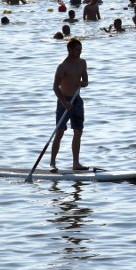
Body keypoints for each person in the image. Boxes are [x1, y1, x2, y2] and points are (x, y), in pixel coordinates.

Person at [50, 38, 89, 172]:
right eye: (77, 49)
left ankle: (76, 163)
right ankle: (52, 163)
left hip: (77, 100)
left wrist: (83, 83)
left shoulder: (82, 63)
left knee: (78, 131)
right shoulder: (62, 66)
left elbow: (85, 80)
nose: (80, 52)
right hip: (64, 101)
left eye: (80, 49)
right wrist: (64, 102)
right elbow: (55, 87)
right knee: (59, 132)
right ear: (70, 50)